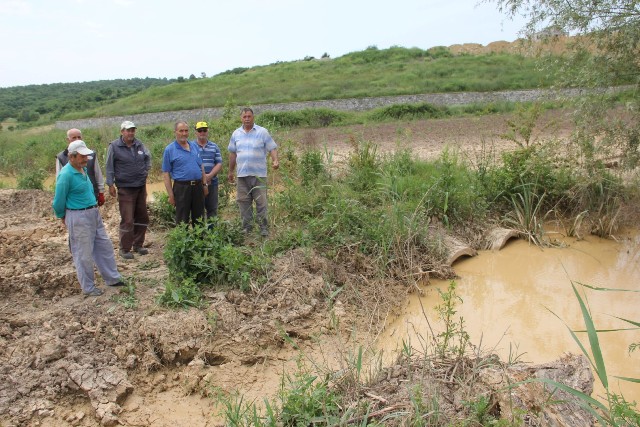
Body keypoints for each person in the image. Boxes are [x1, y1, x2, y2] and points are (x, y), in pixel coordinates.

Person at [52, 140, 125, 297]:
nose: (86, 159)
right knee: (83, 253)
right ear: (71, 157)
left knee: (104, 246)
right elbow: (58, 201)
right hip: (78, 215)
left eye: (86, 155)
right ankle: (89, 287)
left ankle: (112, 278)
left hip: (93, 213)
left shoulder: (82, 169)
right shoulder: (66, 175)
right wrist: (62, 216)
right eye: (82, 156)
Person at [227, 107, 279, 237]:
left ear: (253, 117)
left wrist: (275, 160)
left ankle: (263, 229)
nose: (247, 119)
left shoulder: (262, 132)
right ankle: (247, 228)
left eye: (249, 116)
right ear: (241, 118)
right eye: (244, 117)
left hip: (259, 175)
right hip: (242, 175)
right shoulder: (236, 134)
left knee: (261, 202)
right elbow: (233, 154)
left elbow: (272, 147)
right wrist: (230, 171)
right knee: (243, 202)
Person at [105, 121, 151, 260]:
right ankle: (124, 248)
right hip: (125, 187)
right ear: (122, 132)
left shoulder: (139, 144)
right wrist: (110, 184)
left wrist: (145, 171)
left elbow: (148, 158)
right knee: (128, 219)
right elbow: (109, 166)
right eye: (128, 130)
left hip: (140, 186)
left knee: (142, 216)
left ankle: (138, 244)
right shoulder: (114, 146)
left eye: (132, 130)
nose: (130, 133)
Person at [162, 120, 209, 225]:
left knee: (199, 218)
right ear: (175, 132)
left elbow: (201, 166)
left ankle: (200, 240)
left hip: (198, 187)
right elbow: (166, 175)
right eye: (181, 131)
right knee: (182, 219)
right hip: (181, 188)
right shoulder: (169, 150)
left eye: (186, 131)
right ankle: (184, 241)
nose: (184, 133)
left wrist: (205, 185)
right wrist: (171, 195)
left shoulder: (194, 146)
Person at [56, 128, 105, 207]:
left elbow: (98, 173)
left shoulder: (91, 154)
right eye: (74, 138)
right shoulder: (62, 157)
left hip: (91, 197)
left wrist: (101, 192)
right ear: (68, 140)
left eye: (79, 137)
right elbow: (59, 183)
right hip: (74, 203)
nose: (77, 139)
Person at [194, 121, 223, 219]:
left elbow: (219, 163)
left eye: (204, 130)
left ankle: (212, 232)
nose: (202, 132)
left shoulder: (214, 146)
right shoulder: (191, 147)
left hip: (212, 183)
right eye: (200, 130)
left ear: (207, 131)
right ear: (196, 132)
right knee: (198, 210)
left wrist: (209, 176)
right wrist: (203, 178)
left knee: (212, 209)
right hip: (197, 184)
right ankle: (200, 233)